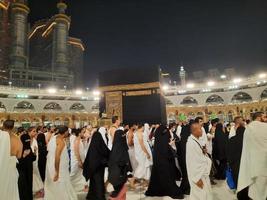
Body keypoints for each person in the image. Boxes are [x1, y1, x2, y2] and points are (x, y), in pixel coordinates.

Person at [145, 125, 184, 199]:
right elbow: (167, 151)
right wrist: (171, 145)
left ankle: (161, 189)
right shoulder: (164, 138)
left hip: (159, 160)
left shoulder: (158, 142)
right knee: (167, 176)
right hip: (166, 161)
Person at [237, 112, 267, 200]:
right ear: (258, 117)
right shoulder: (265, 127)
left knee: (256, 191)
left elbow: (246, 149)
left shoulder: (248, 128)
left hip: (254, 166)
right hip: (263, 164)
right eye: (264, 117)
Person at [44, 125, 77, 200]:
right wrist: (57, 171)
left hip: (52, 164)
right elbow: (57, 157)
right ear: (65, 132)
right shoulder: (61, 141)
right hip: (59, 167)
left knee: (54, 184)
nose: (68, 133)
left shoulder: (54, 137)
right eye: (67, 131)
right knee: (60, 183)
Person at [186, 122, 212, 200]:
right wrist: (197, 179)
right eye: (200, 129)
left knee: (205, 194)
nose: (202, 131)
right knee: (199, 196)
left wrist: (203, 151)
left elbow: (198, 157)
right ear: (194, 131)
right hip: (198, 176)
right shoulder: (191, 143)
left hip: (202, 174)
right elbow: (192, 163)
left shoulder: (196, 140)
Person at [83, 127, 110, 200]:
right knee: (99, 182)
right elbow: (106, 152)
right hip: (100, 167)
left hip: (92, 167)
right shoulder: (101, 145)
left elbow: (88, 158)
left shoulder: (92, 147)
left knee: (93, 182)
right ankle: (99, 196)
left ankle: (92, 195)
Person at [226, 116, 249, 200]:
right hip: (247, 165)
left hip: (235, 165)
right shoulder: (248, 140)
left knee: (238, 181)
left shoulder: (232, 140)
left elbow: (228, 154)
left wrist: (229, 163)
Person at [1, 120, 22, 200]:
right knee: (11, 187)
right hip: (11, 167)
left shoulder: (1, 137)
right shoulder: (18, 140)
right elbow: (19, 156)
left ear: (3, 126)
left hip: (2, 165)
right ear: (13, 128)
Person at [108, 129, 132, 199]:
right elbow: (125, 161)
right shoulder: (123, 148)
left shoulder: (114, 148)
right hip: (120, 176)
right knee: (121, 192)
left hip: (113, 177)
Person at [17, 126, 37, 200]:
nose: (28, 142)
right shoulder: (21, 149)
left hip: (29, 167)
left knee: (29, 182)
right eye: (33, 131)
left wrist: (34, 151)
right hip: (23, 168)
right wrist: (24, 155)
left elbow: (33, 158)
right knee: (24, 183)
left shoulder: (28, 148)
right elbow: (19, 159)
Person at [70, 128, 87, 192]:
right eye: (83, 132)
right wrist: (79, 161)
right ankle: (69, 185)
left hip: (81, 159)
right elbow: (76, 151)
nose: (84, 133)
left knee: (80, 174)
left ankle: (80, 186)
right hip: (77, 160)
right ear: (79, 133)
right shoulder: (77, 140)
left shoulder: (79, 140)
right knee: (74, 173)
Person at [29, 127, 44, 198]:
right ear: (29, 132)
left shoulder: (35, 140)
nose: (35, 133)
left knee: (35, 173)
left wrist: (35, 152)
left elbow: (36, 151)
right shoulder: (26, 139)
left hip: (34, 160)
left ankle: (36, 190)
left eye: (35, 131)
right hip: (28, 160)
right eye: (34, 131)